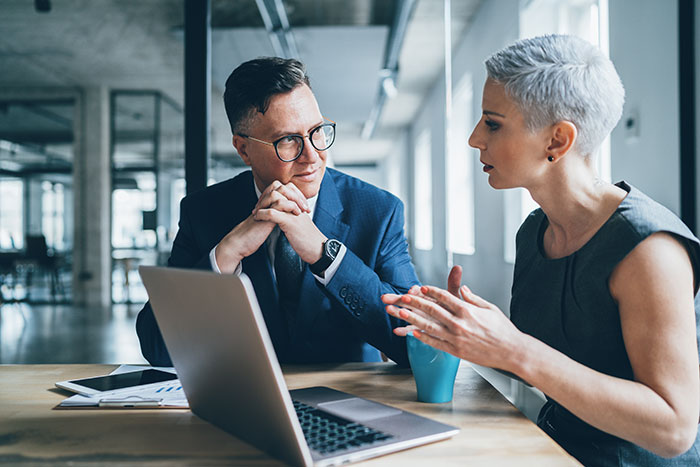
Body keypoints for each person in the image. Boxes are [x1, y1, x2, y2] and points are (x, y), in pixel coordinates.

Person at [383, 35, 700, 466]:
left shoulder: (649, 251)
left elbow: (675, 429)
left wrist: (514, 348)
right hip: (550, 450)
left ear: (557, 141)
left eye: (492, 123)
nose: (476, 139)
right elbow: (551, 367)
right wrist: (469, 331)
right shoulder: (534, 232)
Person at [137, 57, 418, 367]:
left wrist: (327, 256)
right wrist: (227, 254)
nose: (313, 156)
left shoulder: (379, 211)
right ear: (243, 149)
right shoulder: (203, 212)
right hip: (246, 401)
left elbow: (413, 342)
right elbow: (157, 347)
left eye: (317, 131)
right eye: (288, 140)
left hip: (349, 399)